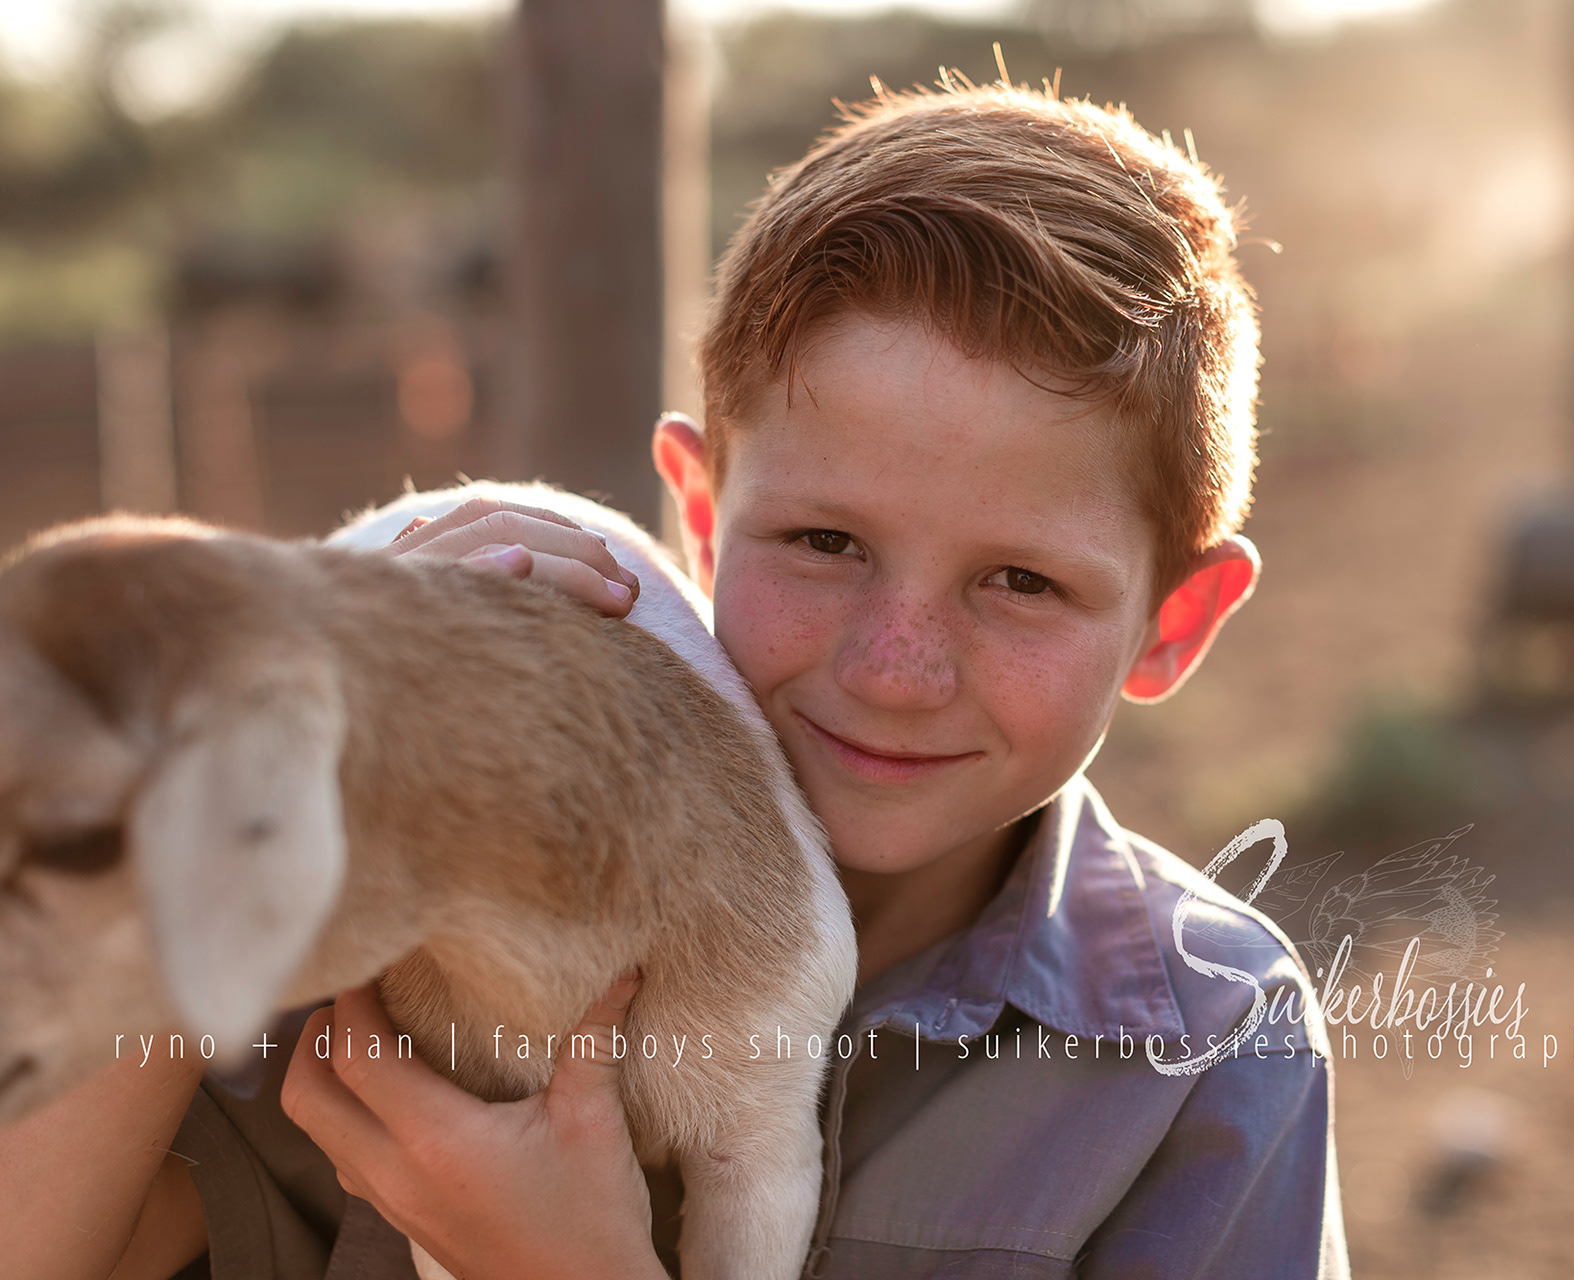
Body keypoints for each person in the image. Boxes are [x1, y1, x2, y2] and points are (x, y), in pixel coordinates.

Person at [0, 77, 1348, 1279]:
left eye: (1022, 584)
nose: (894, 668)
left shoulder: (1207, 1052)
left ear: (1176, 622)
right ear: (698, 517)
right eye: (823, 544)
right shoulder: (359, 875)